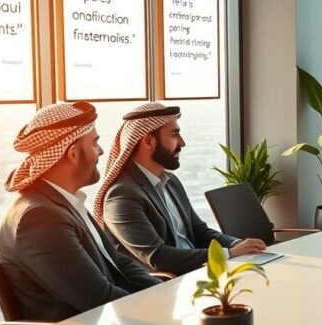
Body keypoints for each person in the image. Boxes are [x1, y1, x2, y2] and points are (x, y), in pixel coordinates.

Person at [0, 102, 160, 321]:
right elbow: (99, 299)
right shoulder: (40, 219)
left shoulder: (58, 201)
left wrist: (161, 293)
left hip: (110, 322)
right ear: (73, 153)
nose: (101, 151)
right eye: (94, 143)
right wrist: (158, 312)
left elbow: (118, 262)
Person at [93, 102, 266, 276]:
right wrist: (229, 254)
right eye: (174, 135)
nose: (182, 143)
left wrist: (237, 244)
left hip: (198, 271)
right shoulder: (121, 196)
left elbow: (199, 231)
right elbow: (159, 257)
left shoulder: (171, 181)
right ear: (148, 141)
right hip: (168, 283)